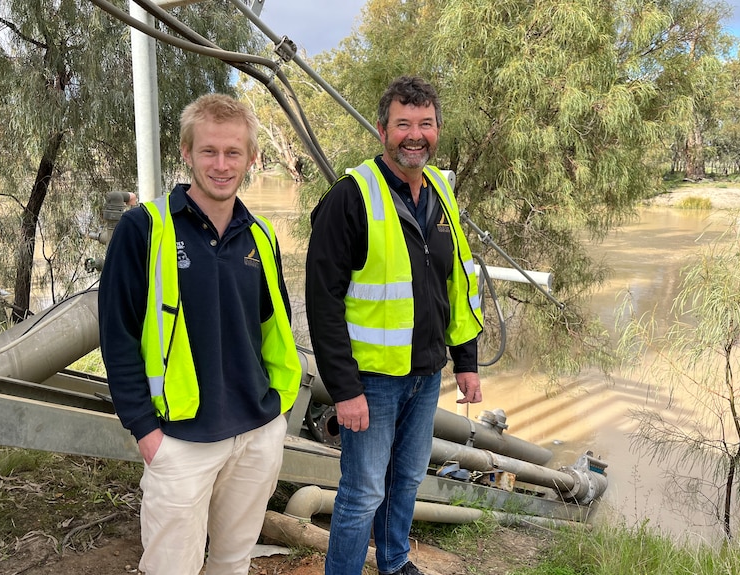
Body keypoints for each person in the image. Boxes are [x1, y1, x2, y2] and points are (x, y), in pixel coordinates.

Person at [98, 93, 301, 575]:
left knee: (232, 562)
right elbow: (118, 335)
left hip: (256, 431)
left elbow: (275, 325)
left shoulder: (261, 236)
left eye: (233, 152)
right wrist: (145, 431)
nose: (221, 164)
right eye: (208, 151)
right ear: (186, 153)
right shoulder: (144, 228)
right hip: (180, 439)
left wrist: (278, 413)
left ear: (252, 158)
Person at [305, 76, 484, 575]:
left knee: (406, 480)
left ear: (437, 130)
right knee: (363, 492)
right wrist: (344, 390)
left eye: (425, 124)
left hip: (426, 374)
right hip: (371, 382)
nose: (414, 134)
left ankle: (393, 562)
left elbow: (459, 283)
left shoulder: (441, 192)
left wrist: (465, 362)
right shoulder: (351, 197)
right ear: (382, 130)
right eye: (403, 123)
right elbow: (323, 304)